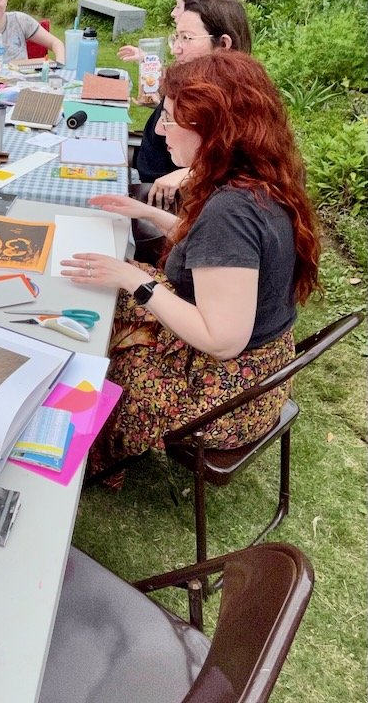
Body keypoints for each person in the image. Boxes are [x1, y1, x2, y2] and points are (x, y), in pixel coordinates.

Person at [62, 52, 320, 482]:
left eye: (168, 118)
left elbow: (221, 341)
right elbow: (220, 254)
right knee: (105, 303)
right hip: (261, 371)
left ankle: (83, 461)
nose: (160, 130)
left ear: (209, 128)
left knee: (99, 347)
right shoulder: (259, 177)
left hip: (225, 394)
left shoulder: (231, 211)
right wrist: (145, 213)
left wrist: (134, 278)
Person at [135, 0, 248, 208]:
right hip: (146, 193)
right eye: (176, 37)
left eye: (187, 38)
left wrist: (192, 173)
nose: (176, 49)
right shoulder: (189, 85)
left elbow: (250, 167)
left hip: (170, 205)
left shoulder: (239, 103)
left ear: (223, 44)